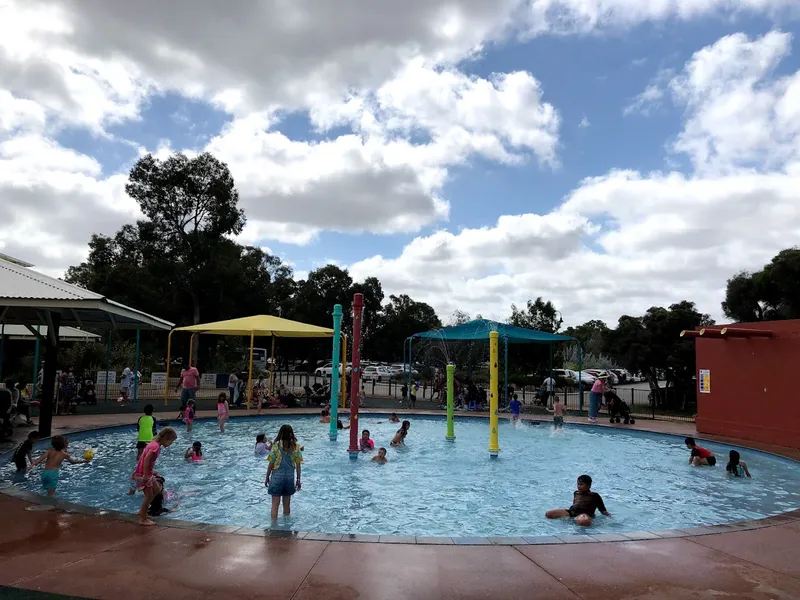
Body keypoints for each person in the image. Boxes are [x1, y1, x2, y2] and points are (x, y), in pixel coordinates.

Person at [131, 427, 178, 525]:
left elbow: (144, 459)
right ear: (166, 439)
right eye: (171, 442)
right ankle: (143, 519)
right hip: (144, 475)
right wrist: (145, 475)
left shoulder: (153, 444)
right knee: (148, 496)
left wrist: (152, 472)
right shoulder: (155, 447)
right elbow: (147, 459)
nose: (170, 445)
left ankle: (142, 511)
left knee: (157, 489)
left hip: (147, 473)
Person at [265, 424, 303, 521]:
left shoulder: (276, 446)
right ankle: (286, 528)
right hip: (289, 478)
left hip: (277, 477)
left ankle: (274, 527)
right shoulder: (296, 447)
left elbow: (271, 463)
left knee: (275, 504)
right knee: (287, 504)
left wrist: (267, 477)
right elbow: (298, 465)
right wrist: (298, 479)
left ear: (280, 433)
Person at [545, 474, 610, 526]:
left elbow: (602, 510)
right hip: (572, 512)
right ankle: (573, 520)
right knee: (549, 514)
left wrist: (609, 517)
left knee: (583, 521)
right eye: (578, 484)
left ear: (589, 485)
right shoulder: (576, 493)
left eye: (581, 484)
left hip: (585, 514)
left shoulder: (595, 495)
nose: (579, 486)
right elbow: (575, 505)